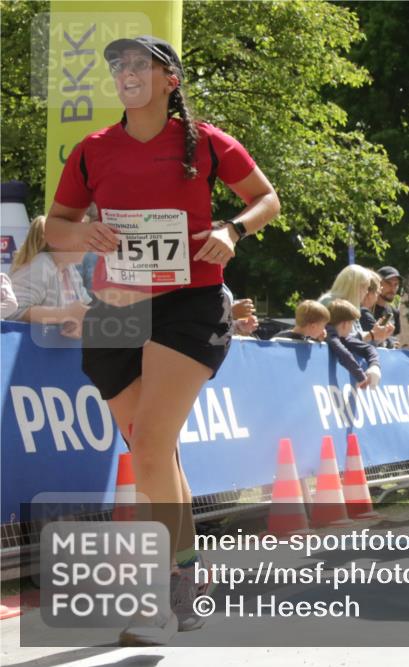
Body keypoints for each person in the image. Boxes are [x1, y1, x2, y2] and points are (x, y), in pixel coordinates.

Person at [44, 35, 280, 645]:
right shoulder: (94, 150)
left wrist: (232, 228)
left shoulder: (206, 143)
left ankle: (160, 597)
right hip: (116, 310)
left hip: (188, 305)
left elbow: (266, 199)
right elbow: (58, 226)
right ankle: (189, 575)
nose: (125, 72)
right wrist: (84, 232)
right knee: (156, 454)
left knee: (149, 444)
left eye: (138, 64)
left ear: (169, 80)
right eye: (118, 65)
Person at [9, 216, 91, 336]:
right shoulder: (41, 265)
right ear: (60, 241)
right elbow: (13, 310)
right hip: (31, 352)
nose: (88, 244)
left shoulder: (69, 270)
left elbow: (84, 307)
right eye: (83, 237)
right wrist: (66, 314)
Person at [319, 264, 392, 345]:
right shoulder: (330, 303)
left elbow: (357, 344)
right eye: (365, 287)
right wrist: (371, 335)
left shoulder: (352, 307)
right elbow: (337, 339)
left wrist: (378, 337)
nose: (366, 292)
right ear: (355, 286)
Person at [325, 298, 381, 387]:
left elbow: (368, 348)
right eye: (351, 323)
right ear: (344, 324)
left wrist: (374, 366)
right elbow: (343, 354)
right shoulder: (329, 333)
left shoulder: (343, 336)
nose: (352, 329)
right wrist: (361, 378)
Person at [373, 265, 402, 348]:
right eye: (388, 283)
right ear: (378, 283)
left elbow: (395, 338)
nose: (392, 288)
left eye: (396, 284)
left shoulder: (394, 311)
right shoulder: (366, 308)